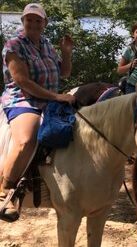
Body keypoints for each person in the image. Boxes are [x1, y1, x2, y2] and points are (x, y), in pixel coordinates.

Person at [0, 3, 75, 221]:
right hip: (23, 99)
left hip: (48, 100)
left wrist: (66, 53)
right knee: (26, 139)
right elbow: (22, 81)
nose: (33, 23)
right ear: (23, 21)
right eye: (29, 19)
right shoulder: (14, 45)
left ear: (45, 23)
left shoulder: (47, 44)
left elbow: (65, 73)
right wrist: (57, 97)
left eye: (37, 20)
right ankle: (6, 190)